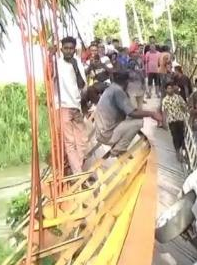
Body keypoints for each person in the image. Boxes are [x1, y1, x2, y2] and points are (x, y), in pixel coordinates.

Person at [93, 71, 162, 156]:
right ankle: (118, 150)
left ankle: (119, 147)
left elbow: (130, 109)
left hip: (102, 132)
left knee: (133, 119)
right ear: (126, 82)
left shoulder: (113, 88)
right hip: (106, 135)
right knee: (138, 122)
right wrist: (152, 114)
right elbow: (132, 113)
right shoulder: (118, 92)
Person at [53, 36, 88, 174]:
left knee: (82, 141)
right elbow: (49, 75)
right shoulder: (57, 63)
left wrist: (75, 67)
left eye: (71, 49)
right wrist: (50, 54)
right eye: (66, 48)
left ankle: (77, 171)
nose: (68, 51)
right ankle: (78, 175)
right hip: (63, 106)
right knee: (70, 142)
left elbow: (82, 85)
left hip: (76, 106)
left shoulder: (77, 63)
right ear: (61, 49)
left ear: (75, 50)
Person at [161, 81, 189, 162]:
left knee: (181, 137)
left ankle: (183, 153)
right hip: (172, 121)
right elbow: (164, 111)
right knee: (175, 137)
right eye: (168, 88)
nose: (170, 90)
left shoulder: (178, 97)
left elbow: (184, 106)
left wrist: (187, 115)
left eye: (171, 88)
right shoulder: (165, 100)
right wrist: (164, 122)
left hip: (180, 119)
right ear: (166, 90)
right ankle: (178, 154)